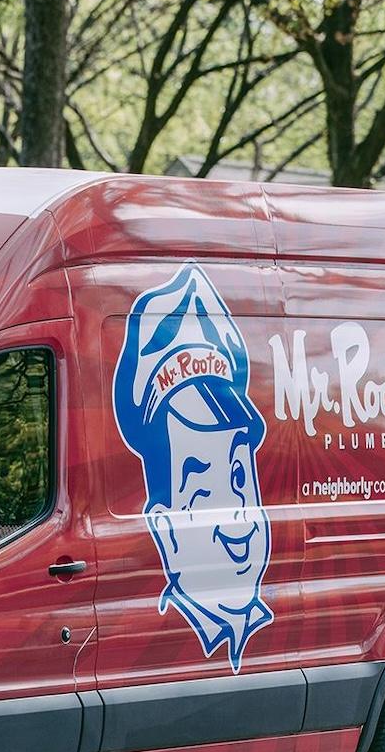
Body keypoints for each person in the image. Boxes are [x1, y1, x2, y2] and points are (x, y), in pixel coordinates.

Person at [112, 261, 273, 671]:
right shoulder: (168, 624)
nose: (236, 512)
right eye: (203, 489)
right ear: (164, 530)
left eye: (239, 476)